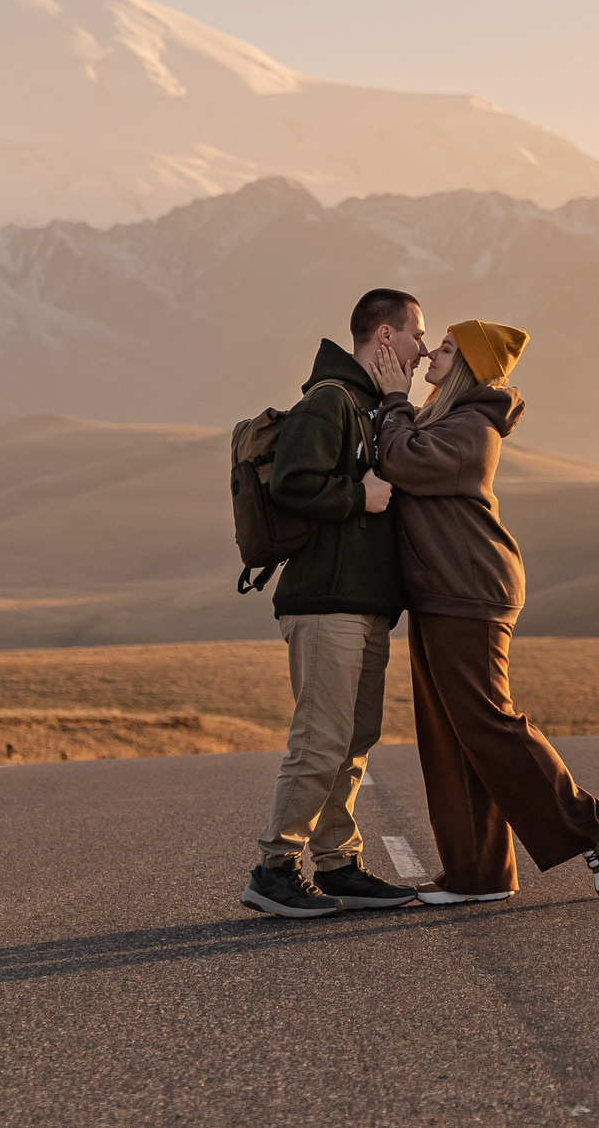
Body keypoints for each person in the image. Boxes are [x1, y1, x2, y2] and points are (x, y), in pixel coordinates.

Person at [370, 319, 599, 904]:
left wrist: (392, 399)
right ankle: (478, 874)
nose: (433, 351)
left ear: (469, 365)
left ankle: (592, 820)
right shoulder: (447, 418)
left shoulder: (474, 428)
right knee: (450, 733)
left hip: (471, 589)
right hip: (442, 590)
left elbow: (405, 463)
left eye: (447, 348)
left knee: (487, 721)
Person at [239, 288, 431, 918]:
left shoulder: (374, 408)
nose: (421, 349)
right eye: (414, 335)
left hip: (363, 603)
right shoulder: (329, 402)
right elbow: (295, 480)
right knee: (321, 740)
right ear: (384, 338)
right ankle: (274, 868)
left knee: (354, 739)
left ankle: (337, 862)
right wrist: (359, 498)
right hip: (326, 603)